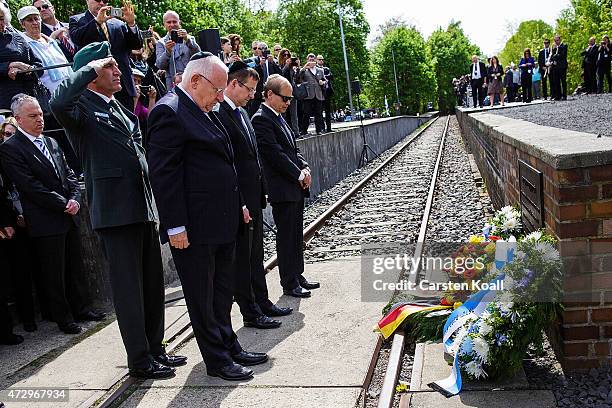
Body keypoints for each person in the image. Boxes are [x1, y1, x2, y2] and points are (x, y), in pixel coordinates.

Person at [50, 42, 186, 379]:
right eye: (108, 67)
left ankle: (156, 349)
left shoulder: (119, 109)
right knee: (129, 292)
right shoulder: (80, 108)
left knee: (152, 287)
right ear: (93, 74)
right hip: (115, 214)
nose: (117, 71)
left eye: (114, 65)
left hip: (141, 208)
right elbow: (57, 100)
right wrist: (89, 67)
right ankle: (139, 360)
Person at [147, 52, 268, 381]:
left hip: (222, 220)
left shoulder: (205, 109)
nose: (220, 95)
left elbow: (225, 164)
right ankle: (217, 360)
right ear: (195, 80)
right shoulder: (168, 112)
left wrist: (240, 203)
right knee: (202, 298)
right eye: (216, 88)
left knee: (221, 292)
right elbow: (164, 176)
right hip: (194, 228)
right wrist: (175, 225)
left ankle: (229, 345)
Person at [0, 95, 104, 335]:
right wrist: (62, 203)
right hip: (45, 220)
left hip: (68, 215)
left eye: (40, 114)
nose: (40, 119)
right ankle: (63, 317)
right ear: (18, 119)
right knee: (53, 273)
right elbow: (29, 185)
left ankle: (82, 308)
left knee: (75, 266)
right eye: (33, 116)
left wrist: (75, 199)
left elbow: (68, 174)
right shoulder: (11, 149)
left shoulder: (52, 142)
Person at [215, 61, 292, 329]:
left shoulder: (241, 113)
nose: (252, 95)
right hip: (240, 200)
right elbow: (230, 162)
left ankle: (262, 301)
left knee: (255, 255)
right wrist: (241, 202)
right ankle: (249, 310)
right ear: (233, 84)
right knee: (243, 261)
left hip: (253, 197)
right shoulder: (220, 113)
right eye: (248, 89)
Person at [252, 74, 320, 298]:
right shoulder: (261, 119)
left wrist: (305, 167)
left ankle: (297, 274)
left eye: (291, 99)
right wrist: (298, 173)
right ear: (269, 94)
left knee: (295, 233)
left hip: (294, 185)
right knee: (286, 235)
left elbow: (293, 148)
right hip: (282, 187)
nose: (288, 103)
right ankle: (289, 282)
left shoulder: (279, 116)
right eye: (285, 98)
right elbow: (274, 154)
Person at [69, 0, 143, 110]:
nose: (102, 3)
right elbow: (78, 39)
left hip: (122, 85)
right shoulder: (77, 20)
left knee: (126, 124)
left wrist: (131, 24)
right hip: (96, 86)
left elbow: (136, 45)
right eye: (98, 0)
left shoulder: (118, 23)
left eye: (105, 0)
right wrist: (97, 22)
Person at [18, 6, 72, 94]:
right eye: (30, 20)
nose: (35, 23)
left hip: (72, 90)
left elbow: (67, 66)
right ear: (22, 24)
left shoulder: (52, 42)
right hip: (50, 97)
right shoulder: (23, 45)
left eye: (36, 19)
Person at [0, 3, 43, 110]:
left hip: (28, 98)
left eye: (1, 18)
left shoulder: (17, 38)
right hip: (3, 102)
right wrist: (10, 66)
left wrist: (28, 70)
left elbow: (38, 65)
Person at [155, 10, 200, 91]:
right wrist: (167, 52)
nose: (172, 25)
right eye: (169, 22)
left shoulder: (190, 38)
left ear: (179, 22)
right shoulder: (161, 43)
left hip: (191, 81)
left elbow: (198, 56)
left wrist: (187, 40)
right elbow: (160, 65)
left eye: (174, 21)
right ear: (164, 25)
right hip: (173, 84)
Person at [298, 54, 326, 134]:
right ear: (307, 60)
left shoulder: (320, 70)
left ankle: (318, 130)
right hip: (308, 95)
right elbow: (298, 77)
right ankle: (304, 130)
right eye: (310, 60)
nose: (311, 61)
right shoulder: (304, 70)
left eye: (313, 60)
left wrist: (322, 82)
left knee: (318, 113)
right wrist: (304, 67)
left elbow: (324, 80)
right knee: (306, 113)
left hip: (318, 94)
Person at [317, 54, 333, 133]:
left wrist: (324, 77)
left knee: (328, 110)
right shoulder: (315, 69)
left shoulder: (326, 69)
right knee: (319, 111)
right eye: (319, 59)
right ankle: (322, 127)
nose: (321, 61)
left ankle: (329, 127)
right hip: (320, 92)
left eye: (322, 59)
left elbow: (331, 76)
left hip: (327, 91)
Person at [549, 34, 568, 101]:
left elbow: (562, 55)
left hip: (562, 66)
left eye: (557, 40)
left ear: (560, 40)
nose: (556, 41)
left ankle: (564, 95)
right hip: (555, 67)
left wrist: (555, 56)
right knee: (556, 81)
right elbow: (552, 56)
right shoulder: (554, 47)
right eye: (555, 40)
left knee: (563, 81)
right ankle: (558, 95)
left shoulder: (564, 46)